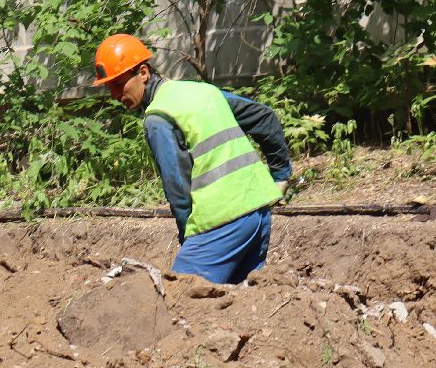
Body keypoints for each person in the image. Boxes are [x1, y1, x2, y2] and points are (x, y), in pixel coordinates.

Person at [92, 33, 291, 285]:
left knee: (181, 300)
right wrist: (280, 176)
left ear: (143, 73)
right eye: (109, 88)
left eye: (119, 84)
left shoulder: (157, 119)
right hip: (258, 215)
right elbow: (264, 117)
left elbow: (178, 188)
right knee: (234, 309)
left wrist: (190, 239)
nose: (114, 94)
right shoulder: (201, 91)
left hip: (221, 223)